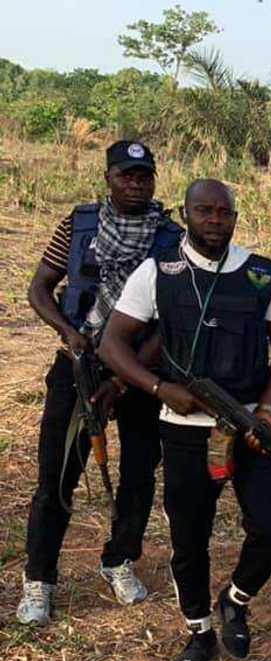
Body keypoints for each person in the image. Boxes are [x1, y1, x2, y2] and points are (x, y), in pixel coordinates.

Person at [98, 179, 271, 661]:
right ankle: (200, 631)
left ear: (235, 216)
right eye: (203, 211)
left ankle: (236, 600)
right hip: (185, 428)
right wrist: (159, 389)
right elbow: (112, 344)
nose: (214, 220)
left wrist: (269, 407)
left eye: (223, 212)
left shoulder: (262, 274)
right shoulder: (157, 271)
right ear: (185, 214)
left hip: (251, 425)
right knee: (189, 538)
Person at [17, 140, 182, 627]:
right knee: (57, 476)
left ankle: (119, 560)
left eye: (144, 176)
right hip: (78, 366)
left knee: (137, 478)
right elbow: (39, 288)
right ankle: (39, 579)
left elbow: (171, 318)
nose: (136, 184)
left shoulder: (171, 238)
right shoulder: (78, 225)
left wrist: (126, 378)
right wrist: (70, 335)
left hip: (141, 373)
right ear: (108, 178)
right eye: (127, 175)